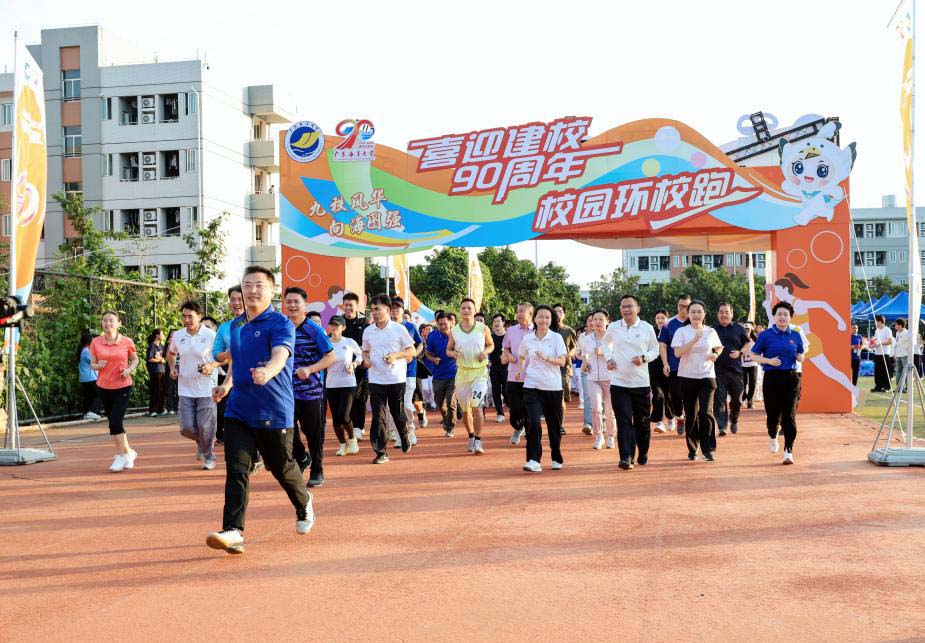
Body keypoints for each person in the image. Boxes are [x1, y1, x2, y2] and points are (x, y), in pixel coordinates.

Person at [206, 266, 313, 555]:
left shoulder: (281, 324)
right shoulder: (235, 326)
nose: (252, 291)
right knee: (237, 469)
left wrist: (268, 371)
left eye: (259, 285)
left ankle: (303, 502)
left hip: (273, 410)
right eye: (247, 285)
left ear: (272, 290)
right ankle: (233, 531)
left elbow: (281, 355)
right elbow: (237, 363)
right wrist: (226, 386)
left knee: (281, 467)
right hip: (238, 410)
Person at [765, 272, 857, 404]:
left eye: (778, 291)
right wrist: (768, 297)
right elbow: (772, 320)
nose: (777, 294)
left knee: (829, 371)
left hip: (807, 343)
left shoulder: (798, 304)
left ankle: (854, 393)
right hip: (792, 344)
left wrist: (840, 321)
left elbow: (823, 304)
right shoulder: (785, 309)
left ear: (785, 289)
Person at [285, 287, 336, 486]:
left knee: (313, 433)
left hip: (310, 392)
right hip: (286, 391)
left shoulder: (314, 329)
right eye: (288, 301)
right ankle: (301, 456)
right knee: (286, 431)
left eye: (296, 301)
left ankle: (317, 469)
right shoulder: (281, 327)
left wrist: (310, 369)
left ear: (305, 305)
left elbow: (330, 356)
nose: (292, 305)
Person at [605, 296, 659, 469]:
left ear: (638, 308)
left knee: (642, 423)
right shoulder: (613, 327)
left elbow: (655, 350)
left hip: (641, 383)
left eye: (630, 306)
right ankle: (626, 457)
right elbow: (605, 344)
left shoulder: (647, 327)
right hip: (619, 383)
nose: (626, 310)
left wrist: (644, 358)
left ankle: (643, 451)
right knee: (624, 421)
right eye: (623, 307)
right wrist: (609, 358)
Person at [362, 294, 416, 464]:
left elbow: (412, 351)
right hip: (376, 380)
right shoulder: (368, 331)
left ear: (387, 309)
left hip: (396, 379)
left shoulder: (399, 329)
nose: (374, 312)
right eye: (372, 309)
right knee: (378, 416)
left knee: (397, 414)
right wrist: (366, 360)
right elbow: (365, 351)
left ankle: (404, 434)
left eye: (377, 309)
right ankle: (381, 452)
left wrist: (396, 355)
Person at [748, 301, 805, 464]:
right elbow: (753, 355)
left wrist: (800, 357)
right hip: (772, 378)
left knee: (789, 415)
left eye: (786, 314)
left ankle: (788, 450)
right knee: (773, 416)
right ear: (774, 316)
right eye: (779, 314)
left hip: (791, 378)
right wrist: (769, 361)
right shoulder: (765, 335)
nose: (782, 317)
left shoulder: (795, 335)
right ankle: (773, 435)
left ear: (790, 317)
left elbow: (801, 353)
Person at [168, 301, 219, 470]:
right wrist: (172, 368)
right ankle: (201, 442)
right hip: (185, 388)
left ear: (199, 316)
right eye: (184, 316)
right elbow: (171, 353)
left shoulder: (211, 335)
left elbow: (224, 357)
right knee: (186, 428)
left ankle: (209, 457)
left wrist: (211, 366)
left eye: (190, 316)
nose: (186, 320)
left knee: (206, 426)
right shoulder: (178, 335)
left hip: (206, 388)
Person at [517, 305, 568, 472]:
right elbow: (521, 356)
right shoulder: (528, 339)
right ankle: (533, 460)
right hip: (532, 385)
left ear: (551, 320)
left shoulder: (556, 338)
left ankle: (556, 456)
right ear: (534, 319)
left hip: (552, 387)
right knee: (532, 422)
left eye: (547, 317)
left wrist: (547, 358)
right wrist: (519, 370)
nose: (544, 320)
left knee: (554, 425)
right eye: (540, 316)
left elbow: (562, 362)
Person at [671, 300, 723, 462]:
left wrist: (715, 354)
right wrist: (694, 339)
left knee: (705, 412)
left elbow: (719, 347)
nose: (696, 314)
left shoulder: (710, 331)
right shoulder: (681, 331)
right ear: (688, 314)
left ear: (704, 314)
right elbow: (678, 353)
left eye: (699, 311)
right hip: (687, 376)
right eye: (693, 311)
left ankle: (708, 449)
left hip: (707, 376)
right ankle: (693, 449)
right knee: (691, 414)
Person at [89, 311, 140, 472]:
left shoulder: (126, 341)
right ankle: (129, 452)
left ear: (119, 323)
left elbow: (135, 359)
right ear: (101, 323)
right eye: (105, 320)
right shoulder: (96, 342)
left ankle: (121, 455)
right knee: (114, 422)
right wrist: (98, 366)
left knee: (116, 421)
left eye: (111, 320)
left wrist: (129, 370)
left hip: (123, 386)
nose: (108, 323)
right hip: (104, 387)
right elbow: (92, 364)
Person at [446, 298, 494, 454]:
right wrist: (453, 353)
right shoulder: (454, 330)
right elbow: (448, 349)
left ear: (474, 310)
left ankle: (479, 440)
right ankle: (471, 436)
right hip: (462, 373)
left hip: (479, 373)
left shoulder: (483, 328)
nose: (466, 310)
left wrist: (485, 353)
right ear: (460, 311)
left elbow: (491, 345)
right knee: (466, 410)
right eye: (463, 308)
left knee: (477, 407)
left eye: (469, 308)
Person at [211, 286, 246, 445]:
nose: (236, 303)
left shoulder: (259, 323)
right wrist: (227, 354)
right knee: (232, 417)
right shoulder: (225, 327)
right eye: (232, 300)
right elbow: (216, 352)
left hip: (258, 379)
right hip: (232, 376)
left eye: (240, 299)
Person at [386, 298, 423, 447]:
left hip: (409, 371)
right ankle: (400, 436)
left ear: (403, 310)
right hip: (392, 372)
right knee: (393, 406)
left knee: (406, 404)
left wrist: (413, 355)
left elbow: (420, 344)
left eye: (398, 308)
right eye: (392, 308)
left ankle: (411, 431)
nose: (395, 310)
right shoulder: (386, 327)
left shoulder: (410, 326)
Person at [712, 303, 753, 437]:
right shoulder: (712, 330)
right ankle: (722, 426)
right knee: (719, 400)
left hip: (736, 371)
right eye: (721, 312)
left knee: (737, 400)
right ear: (718, 314)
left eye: (727, 312)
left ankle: (734, 419)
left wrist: (740, 352)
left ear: (731, 314)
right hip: (717, 371)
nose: (724, 315)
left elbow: (748, 343)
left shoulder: (739, 328)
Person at [325, 315, 363, 456]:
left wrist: (354, 364)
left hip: (348, 383)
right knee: (336, 419)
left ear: (343, 328)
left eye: (337, 325)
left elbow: (360, 355)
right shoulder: (326, 342)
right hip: (331, 384)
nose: (334, 328)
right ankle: (342, 444)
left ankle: (352, 439)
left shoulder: (349, 342)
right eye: (332, 325)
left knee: (344, 415)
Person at [582, 309, 617, 450]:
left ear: (607, 321)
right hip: (592, 378)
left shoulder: (613, 337)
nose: (597, 322)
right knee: (596, 408)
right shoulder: (587, 338)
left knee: (609, 410)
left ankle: (611, 436)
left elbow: (617, 354)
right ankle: (599, 436)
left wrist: (603, 353)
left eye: (601, 319)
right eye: (594, 319)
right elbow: (584, 353)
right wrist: (585, 362)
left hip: (609, 378)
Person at [502, 302, 535, 445]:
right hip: (514, 375)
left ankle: (528, 433)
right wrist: (509, 356)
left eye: (522, 311)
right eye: (517, 311)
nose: (518, 314)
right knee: (514, 407)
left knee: (529, 407)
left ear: (530, 314)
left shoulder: (537, 331)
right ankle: (518, 426)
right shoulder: (511, 330)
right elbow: (505, 348)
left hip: (532, 376)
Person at [658, 294, 691, 435]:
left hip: (692, 367)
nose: (683, 309)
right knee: (675, 395)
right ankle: (679, 416)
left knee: (690, 396)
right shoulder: (668, 323)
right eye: (680, 306)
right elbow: (662, 344)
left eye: (686, 306)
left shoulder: (695, 321)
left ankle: (690, 421)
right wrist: (665, 363)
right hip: (675, 366)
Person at [424, 312, 459, 438]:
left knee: (451, 402)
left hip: (454, 373)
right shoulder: (432, 336)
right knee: (440, 403)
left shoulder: (457, 335)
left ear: (450, 322)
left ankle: (450, 427)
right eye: (440, 325)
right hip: (438, 374)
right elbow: (428, 353)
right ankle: (446, 419)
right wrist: (433, 359)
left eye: (445, 324)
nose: (443, 326)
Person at [343, 292, 369, 440]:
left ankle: (358, 427)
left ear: (357, 305)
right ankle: (352, 425)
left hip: (360, 367)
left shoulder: (364, 323)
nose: (348, 308)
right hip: (343, 368)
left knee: (360, 397)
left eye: (351, 305)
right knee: (347, 398)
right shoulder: (339, 322)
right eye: (346, 305)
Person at [553, 304, 579, 433]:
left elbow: (575, 347)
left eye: (560, 311)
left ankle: (560, 425)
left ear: (564, 314)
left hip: (564, 369)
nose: (558, 313)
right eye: (555, 311)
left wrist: (567, 355)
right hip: (549, 367)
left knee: (560, 397)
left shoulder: (568, 331)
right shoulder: (547, 330)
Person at [649, 309, 671, 433]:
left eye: (663, 318)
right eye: (658, 318)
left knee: (669, 396)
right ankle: (659, 422)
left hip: (667, 367)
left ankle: (671, 417)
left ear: (667, 319)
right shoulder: (651, 332)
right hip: (653, 368)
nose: (660, 320)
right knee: (658, 395)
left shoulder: (671, 330)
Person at [77, 330, 102, 421]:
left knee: (88, 396)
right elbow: (95, 361)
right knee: (97, 394)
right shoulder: (86, 351)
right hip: (90, 377)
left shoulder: (83, 350)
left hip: (85, 378)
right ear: (89, 342)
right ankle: (92, 412)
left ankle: (87, 413)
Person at [488, 313, 508, 424]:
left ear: (503, 323)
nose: (496, 323)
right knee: (495, 391)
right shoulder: (490, 337)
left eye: (498, 321)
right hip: (494, 368)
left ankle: (513, 409)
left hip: (506, 368)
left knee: (506, 391)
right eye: (494, 321)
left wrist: (507, 357)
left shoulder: (508, 336)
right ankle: (500, 413)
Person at [577, 313, 595, 434]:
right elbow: (578, 352)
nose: (592, 323)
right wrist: (583, 359)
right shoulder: (582, 337)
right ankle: (588, 423)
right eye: (589, 320)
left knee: (603, 398)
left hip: (603, 372)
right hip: (586, 371)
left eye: (595, 320)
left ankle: (603, 421)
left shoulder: (605, 335)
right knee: (588, 397)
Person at [145, 329, 167, 417]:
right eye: (162, 334)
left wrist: (163, 360)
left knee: (162, 390)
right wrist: (158, 360)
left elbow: (165, 358)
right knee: (155, 390)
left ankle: (160, 409)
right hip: (155, 371)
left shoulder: (162, 346)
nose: (163, 335)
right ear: (157, 335)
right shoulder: (151, 346)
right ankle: (153, 410)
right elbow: (150, 359)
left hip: (162, 370)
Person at [870, 315, 894, 393]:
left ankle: (887, 387)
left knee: (885, 371)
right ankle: (878, 386)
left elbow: (890, 341)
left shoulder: (887, 330)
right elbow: (876, 340)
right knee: (877, 371)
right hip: (877, 353)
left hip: (885, 353)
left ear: (880, 321)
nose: (875, 323)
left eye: (875, 321)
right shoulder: (877, 330)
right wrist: (873, 344)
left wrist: (881, 343)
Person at [741, 321, 759, 408]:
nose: (747, 330)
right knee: (743, 383)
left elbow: (760, 350)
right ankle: (744, 396)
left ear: (751, 329)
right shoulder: (740, 339)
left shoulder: (755, 340)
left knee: (753, 383)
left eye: (748, 329)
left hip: (753, 364)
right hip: (743, 364)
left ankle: (750, 400)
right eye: (745, 329)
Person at [163, 330, 179, 415]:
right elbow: (166, 358)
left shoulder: (181, 342)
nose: (173, 335)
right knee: (170, 388)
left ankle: (177, 407)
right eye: (172, 334)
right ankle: (170, 408)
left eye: (175, 333)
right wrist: (170, 344)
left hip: (181, 368)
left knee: (179, 389)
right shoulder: (167, 345)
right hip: (170, 368)